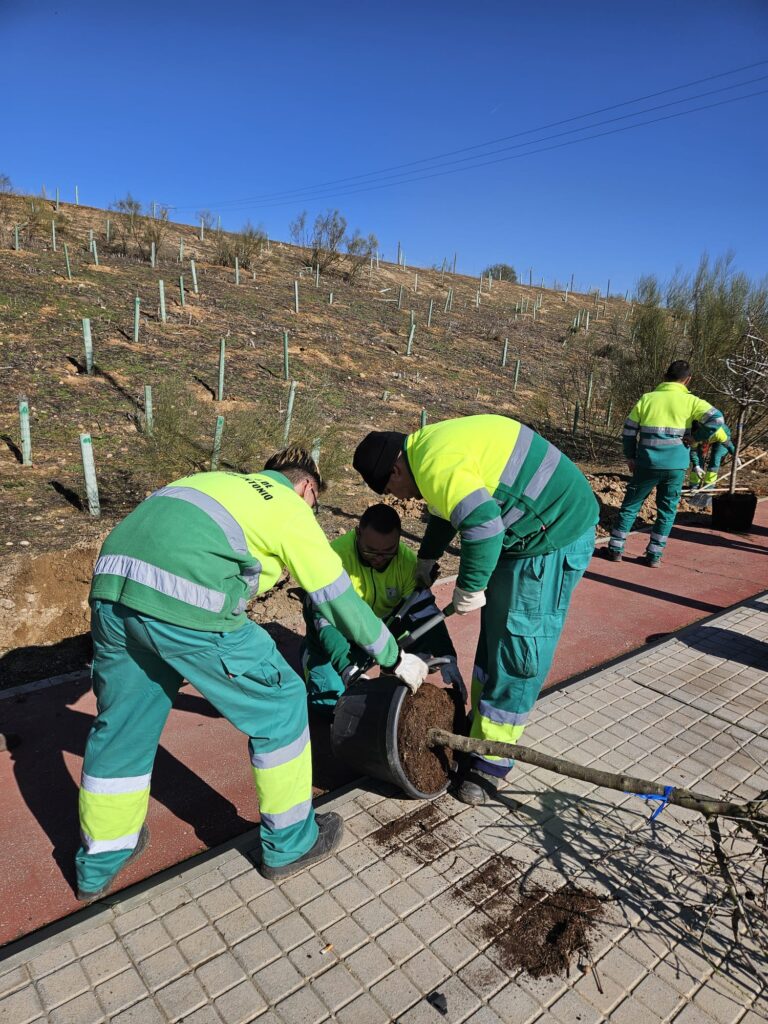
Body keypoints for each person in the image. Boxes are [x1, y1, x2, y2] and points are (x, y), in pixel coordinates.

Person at [75, 448, 427, 901]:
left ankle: (101, 857)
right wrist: (394, 656)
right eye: (314, 505)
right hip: (188, 602)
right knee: (281, 704)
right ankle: (291, 843)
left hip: (111, 591)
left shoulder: (210, 481)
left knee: (122, 725)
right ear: (308, 489)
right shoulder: (286, 505)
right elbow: (335, 595)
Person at [352, 414, 598, 805]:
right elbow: (446, 510)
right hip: (522, 536)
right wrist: (427, 557)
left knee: (519, 649)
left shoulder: (433, 463)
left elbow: (483, 526)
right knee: (495, 638)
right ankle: (480, 730)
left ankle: (493, 762)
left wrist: (469, 586)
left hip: (552, 536)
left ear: (396, 469)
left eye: (393, 489)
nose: (402, 499)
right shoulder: (425, 447)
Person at [301, 503, 464, 711]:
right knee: (330, 706)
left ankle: (378, 667)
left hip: (377, 630)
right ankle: (310, 652)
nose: (379, 559)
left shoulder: (405, 562)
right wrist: (346, 667)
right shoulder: (334, 559)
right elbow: (325, 621)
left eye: (388, 552)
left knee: (416, 655)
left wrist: (447, 654)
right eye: (370, 551)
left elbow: (424, 611)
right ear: (358, 534)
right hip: (335, 631)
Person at [605, 361, 724, 566]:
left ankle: (615, 549)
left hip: (646, 464)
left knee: (631, 506)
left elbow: (629, 431)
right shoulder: (691, 401)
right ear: (688, 380)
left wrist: (630, 456)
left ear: (664, 375)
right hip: (676, 466)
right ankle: (654, 555)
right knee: (667, 511)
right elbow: (717, 420)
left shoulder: (647, 399)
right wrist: (696, 438)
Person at [688, 416, 736, 488]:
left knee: (715, 457)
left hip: (722, 437)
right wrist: (696, 466)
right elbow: (694, 452)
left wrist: (735, 454)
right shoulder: (693, 436)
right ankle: (694, 485)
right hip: (706, 437)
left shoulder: (718, 432)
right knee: (698, 459)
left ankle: (708, 487)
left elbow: (729, 445)